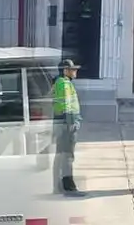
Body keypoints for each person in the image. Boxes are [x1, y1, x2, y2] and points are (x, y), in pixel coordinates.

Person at [52, 59, 85, 197]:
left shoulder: (61, 82)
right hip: (67, 123)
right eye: (73, 69)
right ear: (66, 70)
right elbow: (66, 105)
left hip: (64, 123)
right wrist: (71, 123)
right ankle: (68, 187)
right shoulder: (64, 83)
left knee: (61, 156)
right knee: (67, 156)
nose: (75, 71)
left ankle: (59, 186)